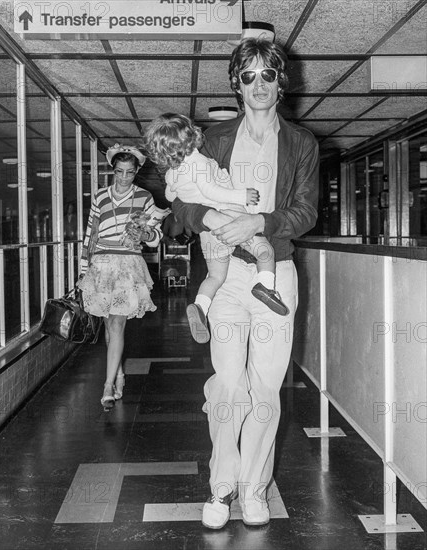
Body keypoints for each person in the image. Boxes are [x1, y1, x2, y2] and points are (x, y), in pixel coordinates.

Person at [171, 38, 319, 528]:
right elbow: (181, 203)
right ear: (237, 83)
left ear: (282, 82)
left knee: (265, 389)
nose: (259, 84)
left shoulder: (302, 143)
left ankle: (254, 488)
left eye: (268, 75)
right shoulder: (214, 140)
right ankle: (221, 488)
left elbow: (305, 211)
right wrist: (212, 215)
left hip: (274, 274)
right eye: (249, 75)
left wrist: (258, 224)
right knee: (229, 386)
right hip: (227, 274)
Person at [144, 113, 289, 344]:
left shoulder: (173, 173)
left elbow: (171, 194)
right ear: (190, 135)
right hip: (228, 216)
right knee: (265, 251)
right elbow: (212, 192)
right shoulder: (197, 161)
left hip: (208, 233)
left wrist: (187, 192)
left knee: (216, 276)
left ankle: (200, 306)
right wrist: (242, 195)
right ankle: (265, 286)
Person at [78, 144, 162, 411]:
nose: (124, 177)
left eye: (129, 172)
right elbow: (90, 235)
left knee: (116, 324)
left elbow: (155, 237)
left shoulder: (145, 197)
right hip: (101, 264)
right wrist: (83, 270)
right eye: (119, 172)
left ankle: (107, 386)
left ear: (137, 171)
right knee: (107, 326)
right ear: (112, 170)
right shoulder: (100, 197)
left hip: (128, 265)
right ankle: (119, 373)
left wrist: (145, 234)